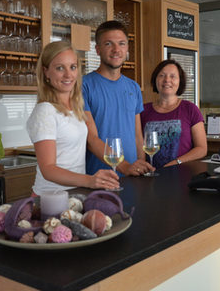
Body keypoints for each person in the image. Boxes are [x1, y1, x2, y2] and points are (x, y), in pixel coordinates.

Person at [26, 41, 119, 195]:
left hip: (74, 194)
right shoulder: (45, 111)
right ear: (46, 72)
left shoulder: (75, 108)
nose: (68, 75)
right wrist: (90, 180)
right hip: (50, 197)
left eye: (72, 67)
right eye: (59, 68)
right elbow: (48, 169)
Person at [82, 20, 153, 176]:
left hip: (132, 176)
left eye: (121, 44)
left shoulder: (134, 87)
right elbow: (91, 138)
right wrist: (124, 166)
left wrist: (141, 166)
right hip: (99, 178)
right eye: (108, 44)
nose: (116, 50)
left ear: (127, 48)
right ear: (98, 49)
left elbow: (137, 135)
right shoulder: (83, 86)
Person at [140, 59, 207, 168]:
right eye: (162, 75)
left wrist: (176, 162)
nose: (167, 80)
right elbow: (136, 143)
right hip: (150, 175)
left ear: (180, 81)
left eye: (173, 76)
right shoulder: (143, 110)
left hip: (182, 175)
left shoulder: (190, 109)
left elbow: (202, 149)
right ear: (155, 79)